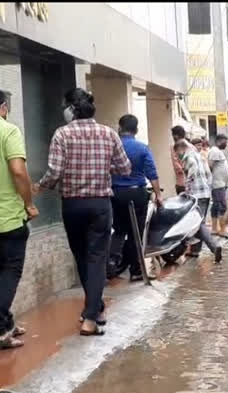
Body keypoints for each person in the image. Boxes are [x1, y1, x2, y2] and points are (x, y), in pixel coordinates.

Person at [35, 88, 131, 336]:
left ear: (72, 109)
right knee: (96, 258)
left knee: (81, 257)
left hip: (73, 205)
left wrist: (40, 186)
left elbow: (55, 172)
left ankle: (90, 316)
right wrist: (102, 166)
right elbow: (125, 168)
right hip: (100, 204)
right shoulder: (109, 134)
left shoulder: (62, 134)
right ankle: (95, 308)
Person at [0, 91, 38, 349]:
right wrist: (28, 203)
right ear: (3, 107)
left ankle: (7, 323)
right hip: (8, 219)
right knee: (10, 271)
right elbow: (17, 170)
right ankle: (1, 332)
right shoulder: (8, 131)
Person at [108, 114, 163, 282]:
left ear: (119, 128)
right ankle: (136, 270)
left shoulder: (112, 147)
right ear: (136, 130)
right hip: (137, 193)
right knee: (136, 233)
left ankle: (111, 263)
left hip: (115, 193)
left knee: (118, 229)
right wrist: (158, 195)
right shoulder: (142, 148)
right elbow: (152, 173)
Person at [174, 139, 222, 263]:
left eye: (177, 152)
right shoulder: (200, 156)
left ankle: (214, 247)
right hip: (205, 193)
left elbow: (192, 171)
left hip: (196, 195)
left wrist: (187, 190)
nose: (177, 155)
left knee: (198, 223)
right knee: (200, 222)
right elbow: (209, 175)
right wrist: (207, 187)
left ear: (181, 149)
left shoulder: (188, 157)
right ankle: (195, 250)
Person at [208, 134, 228, 239]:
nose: (226, 144)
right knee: (222, 206)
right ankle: (222, 230)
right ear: (218, 141)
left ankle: (214, 229)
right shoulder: (214, 151)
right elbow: (209, 166)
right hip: (217, 184)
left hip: (221, 184)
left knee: (217, 206)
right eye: (224, 142)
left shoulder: (218, 151)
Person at [171, 125, 191, 194]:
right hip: (191, 182)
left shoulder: (176, 147)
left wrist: (182, 170)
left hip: (182, 182)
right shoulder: (190, 145)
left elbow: (176, 165)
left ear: (175, 136)